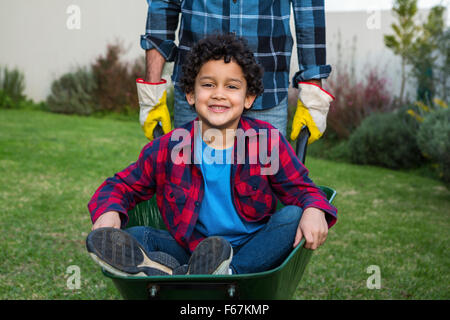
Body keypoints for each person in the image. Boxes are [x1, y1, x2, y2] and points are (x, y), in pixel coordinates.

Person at [86, 34, 337, 276]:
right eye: (208, 85)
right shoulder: (168, 148)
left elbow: (304, 189)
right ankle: (184, 271)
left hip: (252, 249)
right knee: (139, 235)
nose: (218, 93)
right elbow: (121, 185)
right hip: (193, 252)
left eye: (231, 86)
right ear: (191, 94)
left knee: (293, 216)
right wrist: (109, 211)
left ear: (248, 98)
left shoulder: (266, 143)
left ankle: (227, 273)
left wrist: (314, 209)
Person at [138, 0, 335, 144]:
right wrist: (151, 94)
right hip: (197, 95)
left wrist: (313, 92)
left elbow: (309, 10)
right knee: (190, 187)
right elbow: (163, 6)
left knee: (262, 191)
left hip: (266, 95)